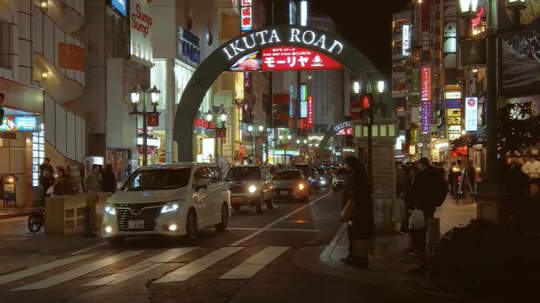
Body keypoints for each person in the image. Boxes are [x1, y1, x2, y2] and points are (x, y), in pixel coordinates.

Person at [408, 157, 447, 254]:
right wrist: (437, 202)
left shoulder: (421, 175)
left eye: (418, 165)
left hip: (421, 204)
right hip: (430, 204)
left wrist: (412, 203)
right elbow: (444, 188)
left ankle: (420, 247)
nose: (418, 167)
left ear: (422, 165)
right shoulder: (436, 174)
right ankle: (429, 245)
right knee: (426, 223)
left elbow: (415, 191)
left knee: (420, 226)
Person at [341, 156, 374, 269]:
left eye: (346, 164)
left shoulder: (357, 176)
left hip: (358, 212)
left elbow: (356, 195)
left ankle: (361, 259)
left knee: (358, 235)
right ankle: (355, 257)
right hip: (356, 211)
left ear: (350, 165)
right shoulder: (358, 175)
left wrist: (353, 208)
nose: (345, 166)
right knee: (354, 234)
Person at [393, 162, 408, 232]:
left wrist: (403, 191)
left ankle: (401, 228)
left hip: (400, 195)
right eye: (398, 166)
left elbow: (403, 183)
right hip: (397, 195)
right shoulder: (397, 173)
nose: (400, 167)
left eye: (400, 166)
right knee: (399, 212)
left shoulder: (402, 173)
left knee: (401, 212)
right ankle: (399, 228)